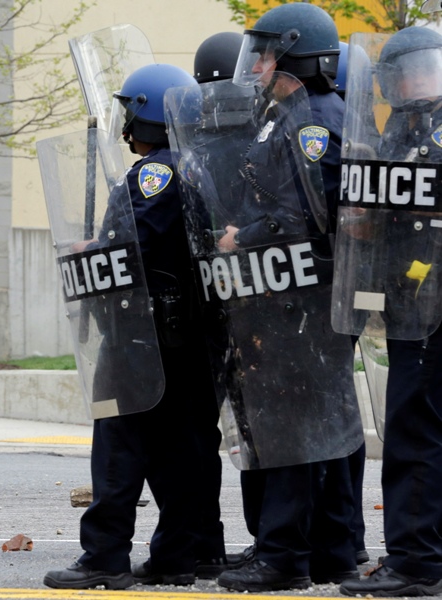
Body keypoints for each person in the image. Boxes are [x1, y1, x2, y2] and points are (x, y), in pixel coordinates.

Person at [191, 3, 365, 592]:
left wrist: (246, 236)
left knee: (293, 426)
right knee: (322, 425)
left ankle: (286, 556)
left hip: (302, 297)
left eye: (265, 53)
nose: (257, 65)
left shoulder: (314, 119)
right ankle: (331, 551)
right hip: (283, 294)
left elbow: (314, 209)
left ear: (293, 55)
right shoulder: (285, 115)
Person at [43, 64, 224, 590]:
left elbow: (135, 245)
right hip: (187, 337)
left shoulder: (157, 172)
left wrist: (90, 250)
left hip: (141, 335)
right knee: (180, 452)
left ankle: (104, 556)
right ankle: (180, 554)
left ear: (146, 115)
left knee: (119, 447)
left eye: (130, 112)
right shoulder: (198, 166)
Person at [339, 26, 442, 597]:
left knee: (413, 435)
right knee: (418, 431)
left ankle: (416, 564)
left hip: (432, 308)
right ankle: (423, 554)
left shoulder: (431, 133)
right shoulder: (403, 127)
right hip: (408, 303)